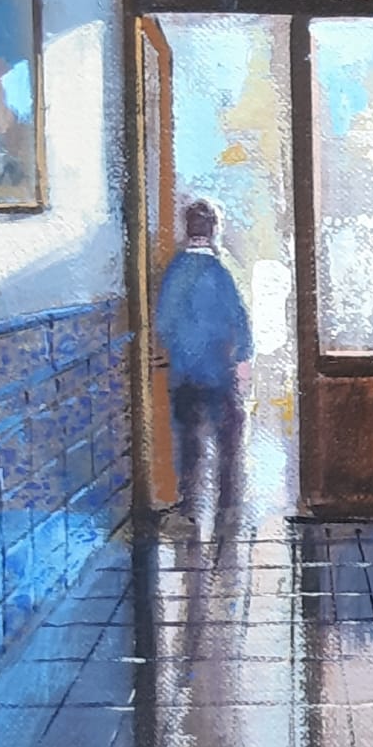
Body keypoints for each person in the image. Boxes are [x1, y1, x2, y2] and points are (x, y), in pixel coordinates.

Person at [154, 200, 254, 529]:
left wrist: (179, 349)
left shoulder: (174, 272)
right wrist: (242, 359)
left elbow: (163, 323)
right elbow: (239, 320)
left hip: (184, 372)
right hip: (219, 373)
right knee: (229, 437)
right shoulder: (219, 272)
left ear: (187, 228)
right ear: (212, 230)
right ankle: (229, 503)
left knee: (189, 442)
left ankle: (190, 504)